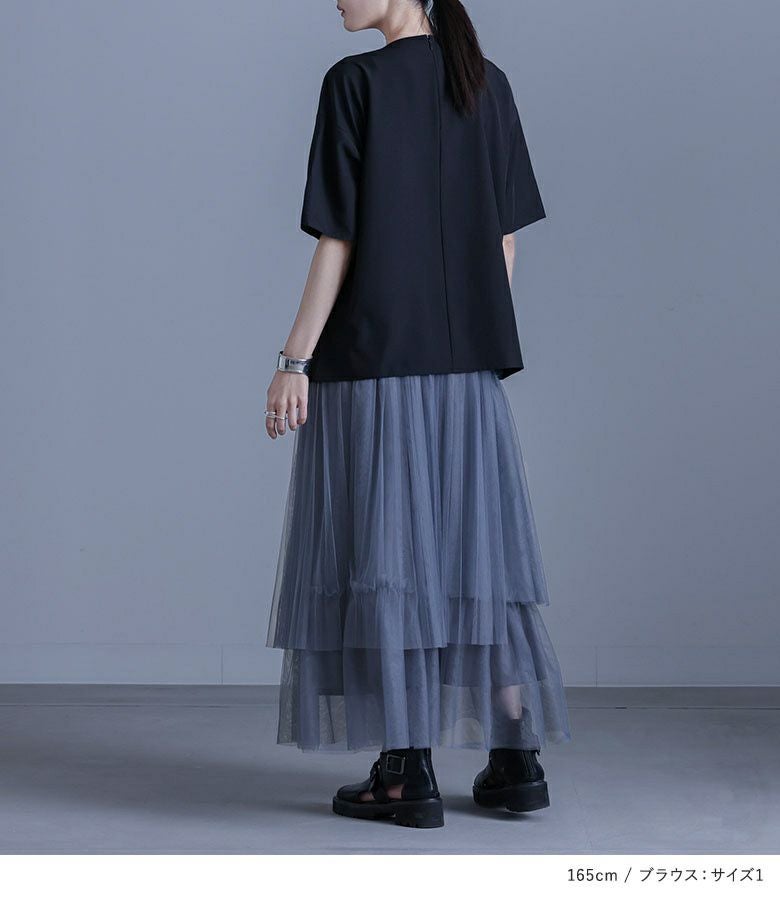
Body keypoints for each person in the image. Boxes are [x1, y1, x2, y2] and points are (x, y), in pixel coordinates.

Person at [264, 0, 572, 830]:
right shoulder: (486, 82)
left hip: (373, 365)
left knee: (388, 559)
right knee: (480, 562)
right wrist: (465, 336)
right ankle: (515, 760)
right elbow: (504, 240)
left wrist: (293, 360)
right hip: (468, 374)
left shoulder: (355, 82)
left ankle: (406, 772)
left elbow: (337, 238)